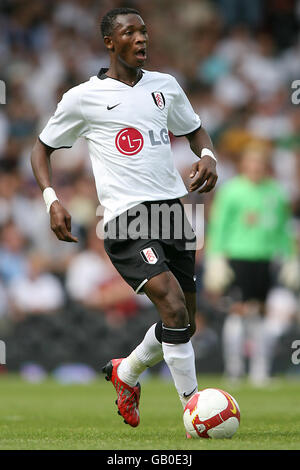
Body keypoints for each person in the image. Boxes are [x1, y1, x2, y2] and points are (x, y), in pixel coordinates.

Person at [31, 7, 218, 431]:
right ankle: (195, 408)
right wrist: (51, 200)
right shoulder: (83, 97)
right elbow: (41, 148)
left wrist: (207, 155)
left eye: (144, 31)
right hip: (125, 219)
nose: (141, 38)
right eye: (129, 32)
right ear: (109, 43)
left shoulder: (165, 87)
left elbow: (195, 130)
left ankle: (127, 373)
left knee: (183, 323)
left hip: (172, 211)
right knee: (170, 305)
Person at [203, 142, 300, 384]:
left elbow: (282, 229)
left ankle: (260, 369)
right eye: (251, 162)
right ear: (244, 165)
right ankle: (234, 368)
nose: (256, 167)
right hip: (237, 256)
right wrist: (215, 257)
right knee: (238, 312)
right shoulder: (232, 191)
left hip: (265, 258)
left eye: (260, 163)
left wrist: (290, 256)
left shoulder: (276, 192)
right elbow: (219, 226)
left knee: (260, 313)